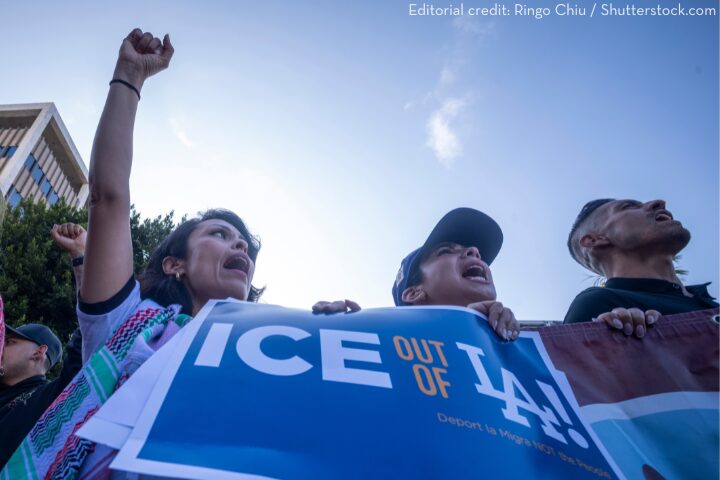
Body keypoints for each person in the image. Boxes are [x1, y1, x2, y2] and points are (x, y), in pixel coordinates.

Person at [1, 29, 265, 480]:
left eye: (242, 242)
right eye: (220, 234)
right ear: (173, 263)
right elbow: (109, 198)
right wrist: (129, 78)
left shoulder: (269, 352)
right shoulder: (126, 326)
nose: (239, 244)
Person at [0, 223, 86, 469]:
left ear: (39, 352)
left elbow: (89, 336)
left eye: (10, 342)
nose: (1, 346)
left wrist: (80, 257)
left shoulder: (53, 397)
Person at [564, 198, 718, 335]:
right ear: (593, 240)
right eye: (629, 206)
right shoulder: (600, 303)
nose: (659, 202)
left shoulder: (708, 304)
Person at [393, 207, 519, 340]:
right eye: (445, 251)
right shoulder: (393, 347)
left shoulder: (516, 348)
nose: (475, 251)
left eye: (479, 255)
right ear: (414, 293)